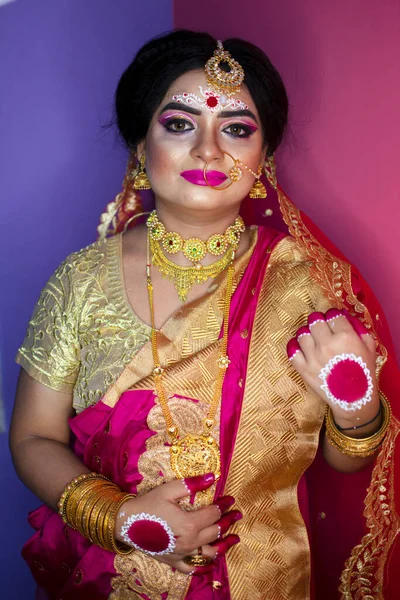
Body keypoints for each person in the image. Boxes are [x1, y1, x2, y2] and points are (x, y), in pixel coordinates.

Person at [9, 30, 400, 600]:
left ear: (264, 158)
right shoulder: (81, 281)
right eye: (179, 123)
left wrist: (358, 410)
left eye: (237, 129)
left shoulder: (307, 284)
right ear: (140, 147)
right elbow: (33, 437)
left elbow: (344, 460)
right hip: (113, 580)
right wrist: (119, 519)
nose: (209, 150)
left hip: (263, 578)